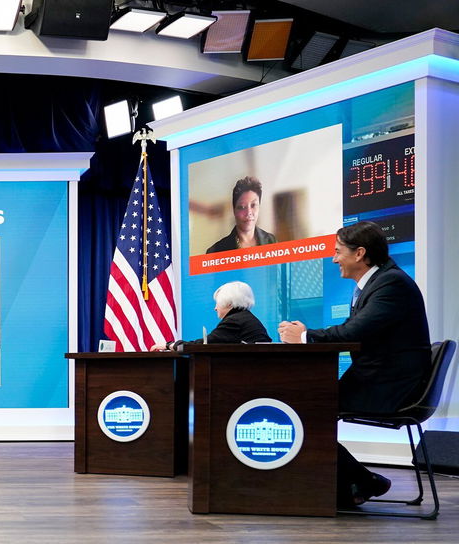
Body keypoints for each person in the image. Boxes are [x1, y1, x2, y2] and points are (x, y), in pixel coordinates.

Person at [277, 221, 430, 508]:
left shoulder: (391, 284)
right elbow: (353, 327)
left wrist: (305, 336)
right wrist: (307, 334)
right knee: (306, 407)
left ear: (359, 253)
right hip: (377, 379)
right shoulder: (377, 282)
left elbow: (353, 333)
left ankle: (357, 482)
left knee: (306, 410)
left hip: (391, 387)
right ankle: (356, 482)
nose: (334, 259)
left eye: (337, 252)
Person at [151, 280, 271, 350]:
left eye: (218, 303)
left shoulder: (234, 322)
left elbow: (203, 346)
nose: (215, 308)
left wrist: (169, 345)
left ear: (229, 303)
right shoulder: (245, 318)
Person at [206, 177, 278, 254]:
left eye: (253, 205)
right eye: (242, 207)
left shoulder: (271, 241)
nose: (248, 212)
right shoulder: (215, 251)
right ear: (234, 210)